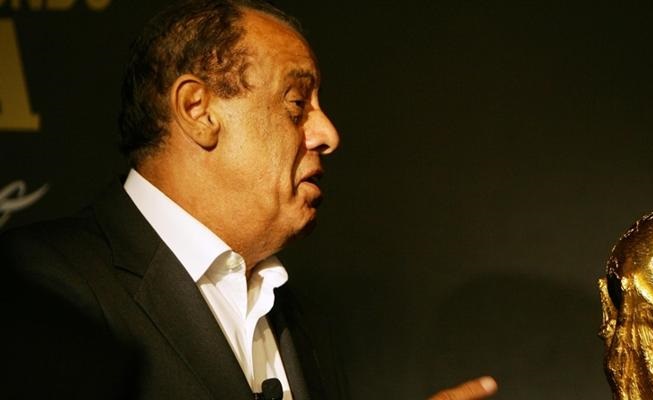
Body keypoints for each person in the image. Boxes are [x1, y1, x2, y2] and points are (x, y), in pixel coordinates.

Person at [0, 1, 496, 399]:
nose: (327, 133)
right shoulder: (35, 288)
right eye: (297, 104)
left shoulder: (304, 323)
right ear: (199, 110)